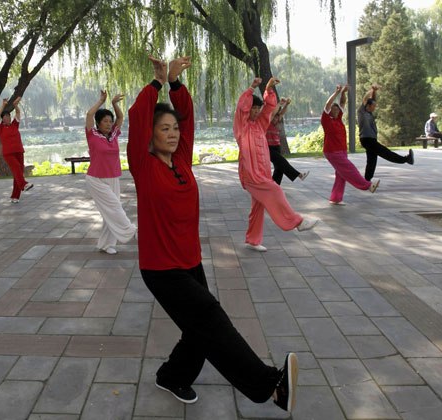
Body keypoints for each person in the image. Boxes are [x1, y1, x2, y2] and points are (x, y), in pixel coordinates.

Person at [128, 55, 298, 414]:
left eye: (175, 128)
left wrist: (176, 85)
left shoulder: (183, 159)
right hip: (161, 268)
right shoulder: (142, 166)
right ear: (150, 135)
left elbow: (187, 116)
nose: (173, 134)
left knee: (198, 328)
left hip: (190, 261)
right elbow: (137, 116)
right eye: (164, 129)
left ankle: (172, 376)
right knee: (210, 317)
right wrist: (157, 83)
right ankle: (268, 386)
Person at [234, 77, 319, 253]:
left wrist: (269, 90)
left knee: (258, 207)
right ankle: (298, 222)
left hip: (262, 174)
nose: (257, 112)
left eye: (258, 108)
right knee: (275, 190)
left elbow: (269, 109)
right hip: (251, 176)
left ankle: (253, 240)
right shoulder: (241, 128)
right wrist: (251, 89)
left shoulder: (259, 126)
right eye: (254, 108)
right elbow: (240, 109)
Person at [84, 89, 137, 255]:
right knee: (114, 207)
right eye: (105, 121)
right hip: (96, 179)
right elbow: (89, 114)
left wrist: (114, 104)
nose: (109, 123)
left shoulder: (113, 134)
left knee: (110, 212)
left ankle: (106, 244)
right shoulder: (92, 134)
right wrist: (101, 100)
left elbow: (120, 118)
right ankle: (132, 232)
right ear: (98, 123)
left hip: (113, 177)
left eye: (110, 121)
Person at [321, 85, 379, 205]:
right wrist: (336, 92)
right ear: (330, 112)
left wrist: (343, 92)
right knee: (349, 169)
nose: (337, 111)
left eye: (338, 110)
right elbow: (327, 104)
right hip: (332, 151)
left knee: (341, 174)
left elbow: (342, 102)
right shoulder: (326, 120)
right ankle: (367, 186)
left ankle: (335, 198)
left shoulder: (338, 119)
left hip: (342, 150)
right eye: (334, 110)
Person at [358, 84, 414, 180]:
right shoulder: (362, 112)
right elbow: (365, 98)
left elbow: (372, 99)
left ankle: (367, 180)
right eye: (373, 106)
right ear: (368, 105)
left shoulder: (370, 114)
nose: (375, 107)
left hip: (371, 140)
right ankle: (406, 159)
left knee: (372, 160)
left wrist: (374, 92)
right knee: (385, 152)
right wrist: (371, 90)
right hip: (367, 139)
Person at [0, 97, 33, 203]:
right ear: (2, 119)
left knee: (19, 173)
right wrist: (3, 104)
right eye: (6, 116)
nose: (8, 117)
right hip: (8, 153)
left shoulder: (14, 125)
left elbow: (18, 112)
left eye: (9, 116)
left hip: (19, 151)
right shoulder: (0, 127)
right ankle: (24, 184)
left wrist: (15, 105)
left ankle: (15, 196)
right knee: (16, 168)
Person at [266, 97, 309, 185]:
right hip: (269, 148)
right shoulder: (267, 124)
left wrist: (287, 105)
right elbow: (274, 113)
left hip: (277, 147)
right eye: (274, 118)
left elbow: (281, 113)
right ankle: (299, 175)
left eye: (276, 119)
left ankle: (274, 186)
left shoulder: (276, 123)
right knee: (283, 162)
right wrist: (279, 104)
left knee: (279, 168)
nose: (275, 120)